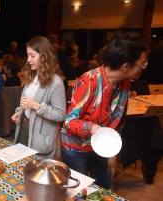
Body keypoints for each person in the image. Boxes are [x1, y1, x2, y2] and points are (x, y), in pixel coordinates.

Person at [61, 33, 147, 190]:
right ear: (126, 67)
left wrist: (113, 151)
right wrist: (93, 128)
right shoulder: (89, 81)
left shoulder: (125, 83)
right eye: (143, 63)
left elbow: (119, 121)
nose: (145, 66)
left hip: (103, 147)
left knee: (104, 190)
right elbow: (69, 121)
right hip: (76, 148)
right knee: (77, 191)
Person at [11, 36, 66, 159]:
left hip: (40, 135)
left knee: (35, 171)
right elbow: (25, 103)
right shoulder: (32, 76)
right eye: (28, 55)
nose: (28, 60)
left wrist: (36, 106)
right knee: (21, 164)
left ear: (44, 56)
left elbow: (60, 115)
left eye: (32, 55)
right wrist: (19, 112)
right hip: (24, 127)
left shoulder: (55, 82)